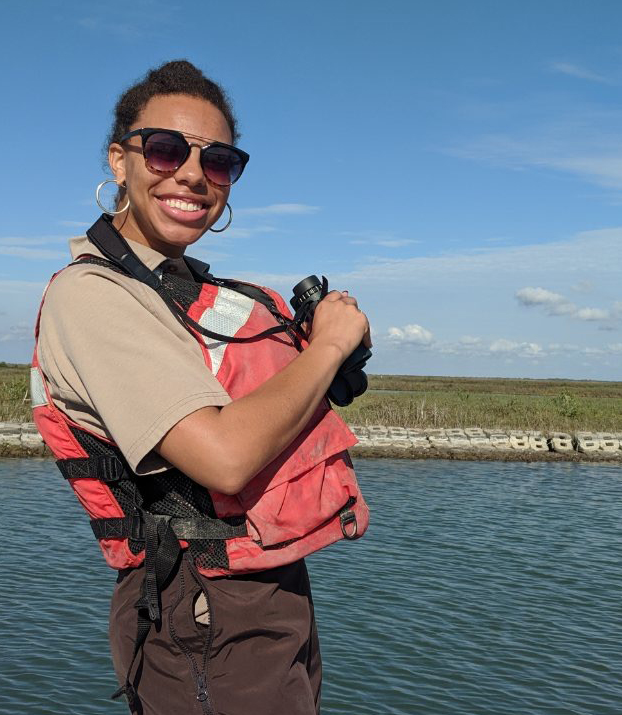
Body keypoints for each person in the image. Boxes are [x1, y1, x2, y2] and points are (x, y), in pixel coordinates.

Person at [30, 59, 371, 715]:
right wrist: (327, 343)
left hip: (264, 592)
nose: (191, 173)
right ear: (119, 161)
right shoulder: (93, 294)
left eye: (218, 161)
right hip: (202, 609)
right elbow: (222, 455)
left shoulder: (188, 297)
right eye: (164, 149)